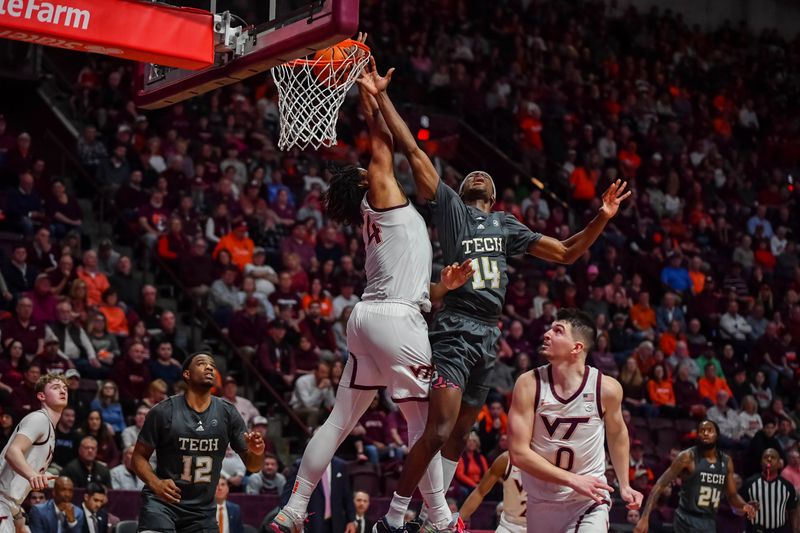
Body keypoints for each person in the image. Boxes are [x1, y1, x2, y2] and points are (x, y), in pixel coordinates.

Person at [361, 59, 632, 531]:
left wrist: (603, 216)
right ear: (465, 190)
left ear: (496, 193)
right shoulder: (450, 208)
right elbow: (409, 147)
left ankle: (431, 516)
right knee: (438, 429)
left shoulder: (507, 225)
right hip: (455, 326)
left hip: (489, 336)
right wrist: (382, 97)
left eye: (486, 176)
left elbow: (568, 251)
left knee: (461, 435)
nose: (479, 175)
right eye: (472, 176)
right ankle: (393, 516)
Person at [271, 40, 474, 533]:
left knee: (339, 421)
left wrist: (440, 287)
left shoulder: (378, 215)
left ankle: (294, 508)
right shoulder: (380, 193)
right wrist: (371, 92)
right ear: (366, 182)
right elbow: (381, 139)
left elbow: (412, 284)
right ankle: (442, 518)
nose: (372, 168)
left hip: (368, 320)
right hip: (395, 321)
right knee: (425, 427)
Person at [507, 309, 642, 531]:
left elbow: (617, 435)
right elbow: (518, 453)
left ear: (576, 347)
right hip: (541, 501)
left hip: (587, 501)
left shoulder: (605, 388)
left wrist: (624, 484)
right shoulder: (529, 383)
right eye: (550, 328)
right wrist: (572, 479)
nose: (547, 334)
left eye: (557, 331)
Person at [132, 352, 265, 533]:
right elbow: (138, 457)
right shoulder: (163, 411)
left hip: (202, 512)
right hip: (162, 504)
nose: (209, 367)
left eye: (212, 365)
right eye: (202, 364)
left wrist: (257, 452)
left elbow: (253, 466)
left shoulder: (228, 413)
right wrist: (156, 483)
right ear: (187, 374)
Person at [634, 420, 758, 532]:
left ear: (717, 435)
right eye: (702, 431)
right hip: (687, 519)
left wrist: (744, 506)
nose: (705, 434)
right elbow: (660, 485)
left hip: (709, 520)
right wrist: (645, 517)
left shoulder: (726, 461)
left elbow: (732, 495)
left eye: (709, 431)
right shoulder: (687, 457)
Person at [0, 373, 68, 533]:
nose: (63, 391)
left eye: (65, 388)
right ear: (41, 395)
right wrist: (32, 475)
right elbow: (13, 451)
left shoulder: (49, 427)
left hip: (9, 504)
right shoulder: (39, 419)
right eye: (56, 388)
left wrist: (18, 517)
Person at [458, 451, 526, 533]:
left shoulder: (545, 460)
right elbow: (480, 491)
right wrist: (457, 522)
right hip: (509, 527)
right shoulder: (506, 458)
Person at [740, 448, 798, 533]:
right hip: (755, 530)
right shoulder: (749, 484)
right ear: (761, 462)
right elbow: (737, 509)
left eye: (773, 457)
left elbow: (792, 511)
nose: (769, 459)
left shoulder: (787, 486)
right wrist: (745, 507)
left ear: (779, 464)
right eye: (765, 457)